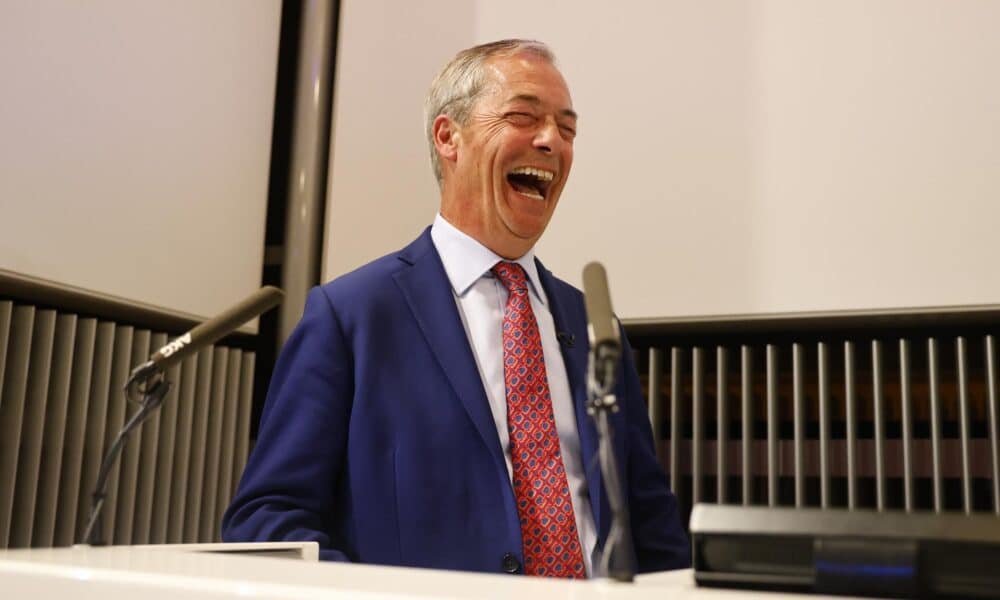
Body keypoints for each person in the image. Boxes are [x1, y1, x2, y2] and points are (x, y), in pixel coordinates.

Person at [222, 39, 689, 577]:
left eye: (568, 129)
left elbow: (652, 525)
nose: (551, 142)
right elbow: (267, 519)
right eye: (523, 117)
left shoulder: (592, 324)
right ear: (449, 137)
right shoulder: (352, 316)